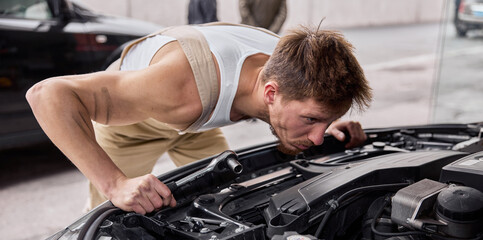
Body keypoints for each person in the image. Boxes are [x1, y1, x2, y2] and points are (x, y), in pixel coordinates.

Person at [26, 22, 372, 215]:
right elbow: (47, 95)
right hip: (136, 125)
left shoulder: (290, 62)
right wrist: (114, 184)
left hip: (199, 122)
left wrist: (325, 124)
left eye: (321, 123)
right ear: (270, 93)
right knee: (112, 217)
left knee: (228, 205)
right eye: (311, 119)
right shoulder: (176, 87)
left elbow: (297, 104)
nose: (316, 137)